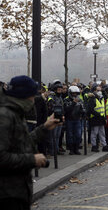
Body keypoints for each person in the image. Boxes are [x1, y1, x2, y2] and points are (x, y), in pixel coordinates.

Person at [0, 75, 62, 209]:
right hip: (7, 195)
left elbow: (22, 142)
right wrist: (32, 159)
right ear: (25, 96)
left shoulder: (15, 112)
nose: (34, 100)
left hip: (16, 192)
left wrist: (45, 127)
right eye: (33, 96)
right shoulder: (5, 115)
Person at [87, 85, 108, 152]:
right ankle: (94, 146)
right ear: (94, 91)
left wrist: (104, 117)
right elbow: (91, 110)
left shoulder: (101, 98)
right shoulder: (92, 99)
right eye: (98, 90)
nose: (99, 92)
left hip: (101, 118)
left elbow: (103, 109)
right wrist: (98, 115)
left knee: (102, 133)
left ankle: (104, 145)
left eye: (100, 90)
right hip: (95, 118)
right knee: (94, 133)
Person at [64, 86, 84, 155]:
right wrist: (73, 103)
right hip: (69, 119)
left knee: (78, 135)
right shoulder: (66, 100)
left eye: (76, 93)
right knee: (70, 135)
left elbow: (82, 108)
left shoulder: (80, 100)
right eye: (73, 93)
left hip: (77, 119)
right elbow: (66, 109)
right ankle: (71, 149)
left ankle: (76, 148)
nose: (74, 95)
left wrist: (83, 112)